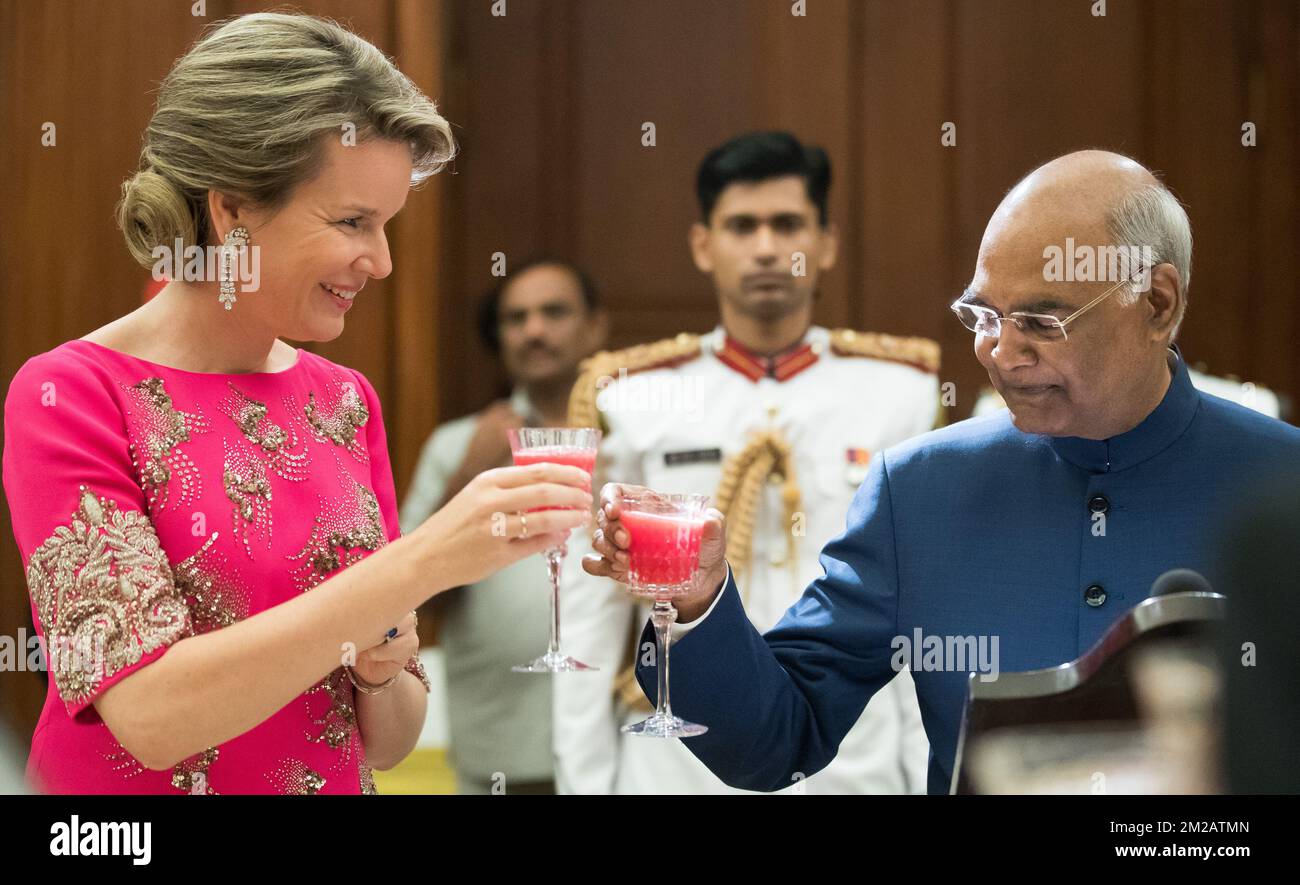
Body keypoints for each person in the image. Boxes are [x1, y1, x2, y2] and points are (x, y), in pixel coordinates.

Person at [583, 150, 1300, 794]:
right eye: (984, 315)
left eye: (1040, 323)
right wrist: (702, 601)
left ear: (1157, 302)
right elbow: (778, 741)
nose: (997, 353)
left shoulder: (1282, 488)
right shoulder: (923, 489)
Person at [2, 12, 590, 795]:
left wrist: (383, 671)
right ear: (233, 209)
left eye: (385, 226)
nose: (379, 261)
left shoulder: (346, 400)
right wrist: (423, 561)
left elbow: (390, 737)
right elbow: (150, 717)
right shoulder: (70, 394)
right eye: (353, 221)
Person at [555, 132, 938, 794]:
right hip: (676, 762)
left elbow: (920, 614)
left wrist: (924, 771)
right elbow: (588, 612)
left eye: (787, 224)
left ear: (826, 242)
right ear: (704, 245)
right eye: (741, 225)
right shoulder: (629, 395)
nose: (765, 247)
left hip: (853, 756)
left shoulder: (902, 394)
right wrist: (586, 783)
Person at [400, 258, 608, 794]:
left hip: (622, 744)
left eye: (554, 312)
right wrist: (470, 476)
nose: (533, 330)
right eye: (516, 318)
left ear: (595, 327)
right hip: (502, 756)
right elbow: (402, 600)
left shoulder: (636, 441)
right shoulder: (458, 447)